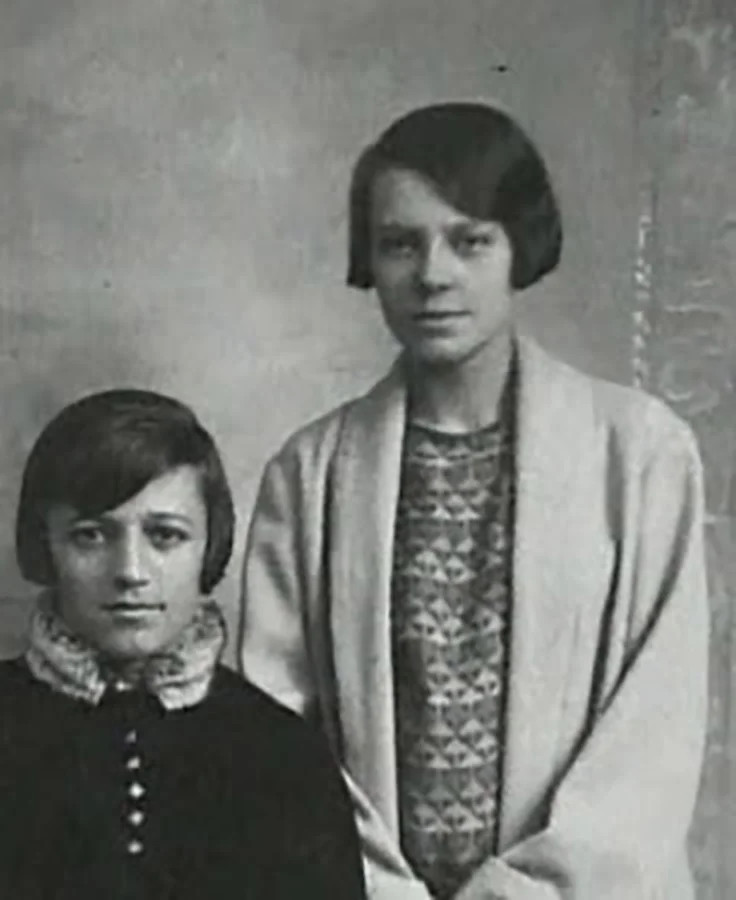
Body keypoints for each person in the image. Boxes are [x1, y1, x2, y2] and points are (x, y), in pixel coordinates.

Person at [238, 102, 709, 899]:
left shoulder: (639, 454)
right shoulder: (309, 474)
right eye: (400, 244)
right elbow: (280, 740)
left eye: (470, 240)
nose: (433, 275)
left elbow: (653, 737)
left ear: (520, 247)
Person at [0, 389, 368, 899]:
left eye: (165, 536)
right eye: (91, 536)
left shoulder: (285, 757)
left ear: (210, 545)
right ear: (44, 545)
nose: (130, 571)